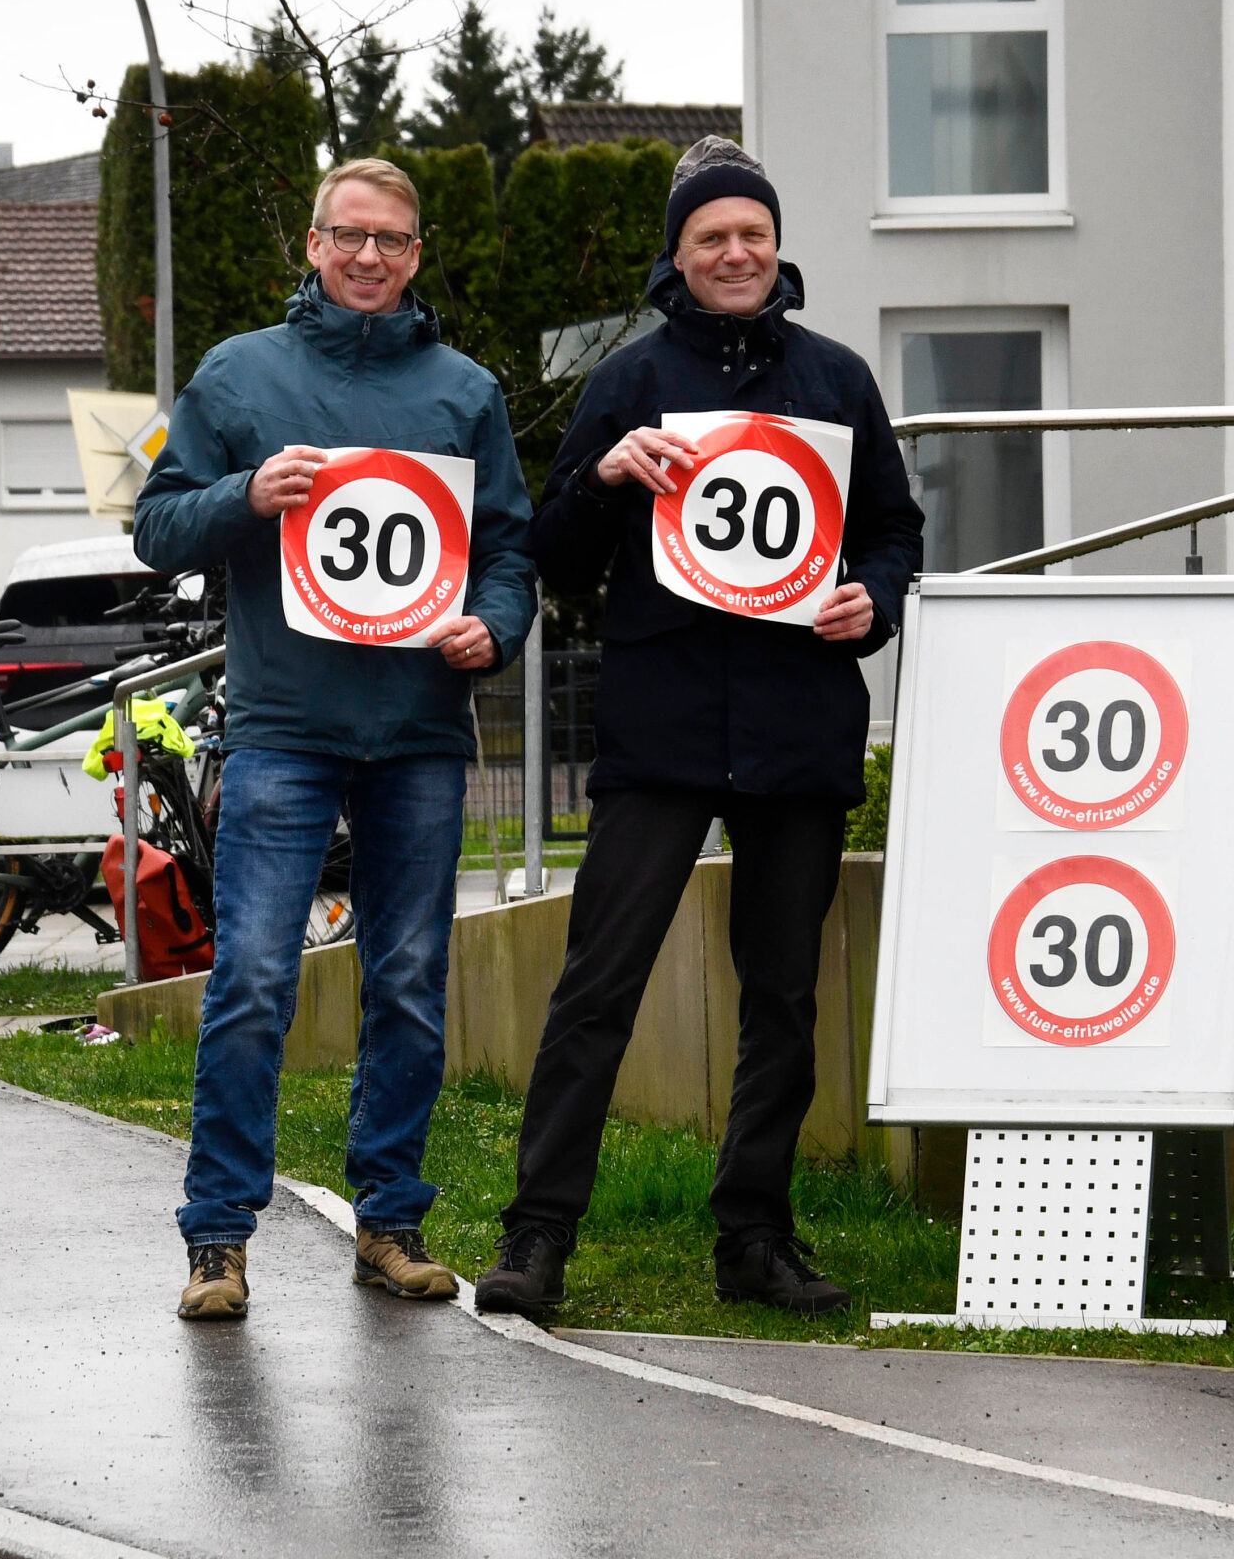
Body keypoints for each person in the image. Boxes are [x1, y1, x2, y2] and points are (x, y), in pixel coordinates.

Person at [473, 138, 924, 1321]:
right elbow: (554, 554)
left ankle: (755, 1234)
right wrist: (607, 474)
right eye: (711, 236)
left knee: (782, 995)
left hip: (795, 723)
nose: (735, 252)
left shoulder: (836, 380)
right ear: (677, 254)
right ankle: (539, 1231)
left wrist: (871, 598)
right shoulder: (626, 381)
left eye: (753, 234)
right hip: (661, 723)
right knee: (598, 982)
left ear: (777, 248)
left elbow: (894, 532)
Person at [135, 157, 537, 1322]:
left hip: (418, 728)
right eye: (350, 236)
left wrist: (494, 625)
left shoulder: (464, 389)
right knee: (253, 977)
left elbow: (506, 548)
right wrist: (244, 495)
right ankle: (217, 1237)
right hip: (283, 728)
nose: (371, 257)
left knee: (408, 981)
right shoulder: (238, 372)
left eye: (394, 241)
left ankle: (390, 1220)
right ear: (312, 244)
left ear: (418, 255)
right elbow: (158, 525)